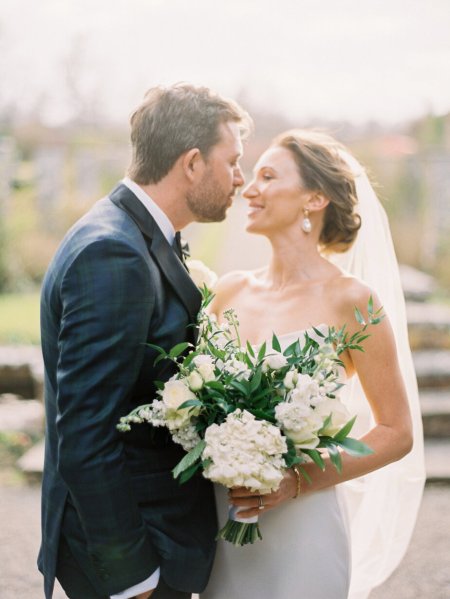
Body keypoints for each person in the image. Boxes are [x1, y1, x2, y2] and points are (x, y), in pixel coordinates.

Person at [38, 83, 251, 599]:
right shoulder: (113, 252)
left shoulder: (138, 234)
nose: (241, 179)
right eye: (234, 161)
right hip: (129, 553)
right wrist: (135, 579)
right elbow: (85, 432)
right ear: (193, 163)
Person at [202, 130, 425, 599]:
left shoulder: (354, 302)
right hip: (222, 522)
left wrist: (294, 481)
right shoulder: (228, 292)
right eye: (253, 175)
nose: (250, 188)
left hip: (305, 529)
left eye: (268, 176)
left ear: (315, 198)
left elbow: (396, 431)